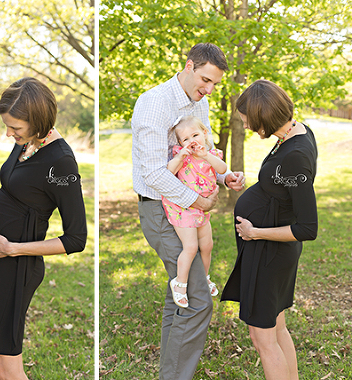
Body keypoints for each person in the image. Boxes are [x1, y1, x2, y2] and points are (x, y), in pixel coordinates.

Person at [0, 77, 87, 380]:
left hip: (14, 267)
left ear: (38, 120)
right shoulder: (27, 143)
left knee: (6, 363)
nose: (8, 133)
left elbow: (76, 238)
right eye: (7, 126)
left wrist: (11, 248)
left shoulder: (61, 162)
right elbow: (21, 191)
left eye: (15, 127)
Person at [131, 42, 245, 380]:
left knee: (179, 298)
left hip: (191, 211)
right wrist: (202, 201)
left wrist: (225, 177)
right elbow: (153, 173)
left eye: (214, 84)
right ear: (188, 65)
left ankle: (170, 371)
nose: (208, 90)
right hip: (162, 210)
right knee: (197, 300)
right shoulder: (154, 103)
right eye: (205, 79)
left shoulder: (201, 103)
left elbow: (203, 157)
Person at [221, 79, 317, 380]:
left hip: (270, 254)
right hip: (269, 252)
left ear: (264, 116)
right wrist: (257, 186)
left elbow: (307, 227)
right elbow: (280, 189)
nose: (245, 124)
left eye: (248, 118)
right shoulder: (292, 134)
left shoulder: (296, 155)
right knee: (277, 328)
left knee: (263, 339)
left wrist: (256, 232)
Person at [161, 115, 228, 308]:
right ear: (180, 143)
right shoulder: (181, 155)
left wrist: (206, 155)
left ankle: (204, 278)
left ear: (205, 133)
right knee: (190, 247)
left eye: (195, 135)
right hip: (183, 208)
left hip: (202, 206)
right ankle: (180, 284)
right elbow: (169, 172)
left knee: (207, 245)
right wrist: (180, 156)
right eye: (185, 139)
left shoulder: (211, 153)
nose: (192, 142)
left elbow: (222, 168)